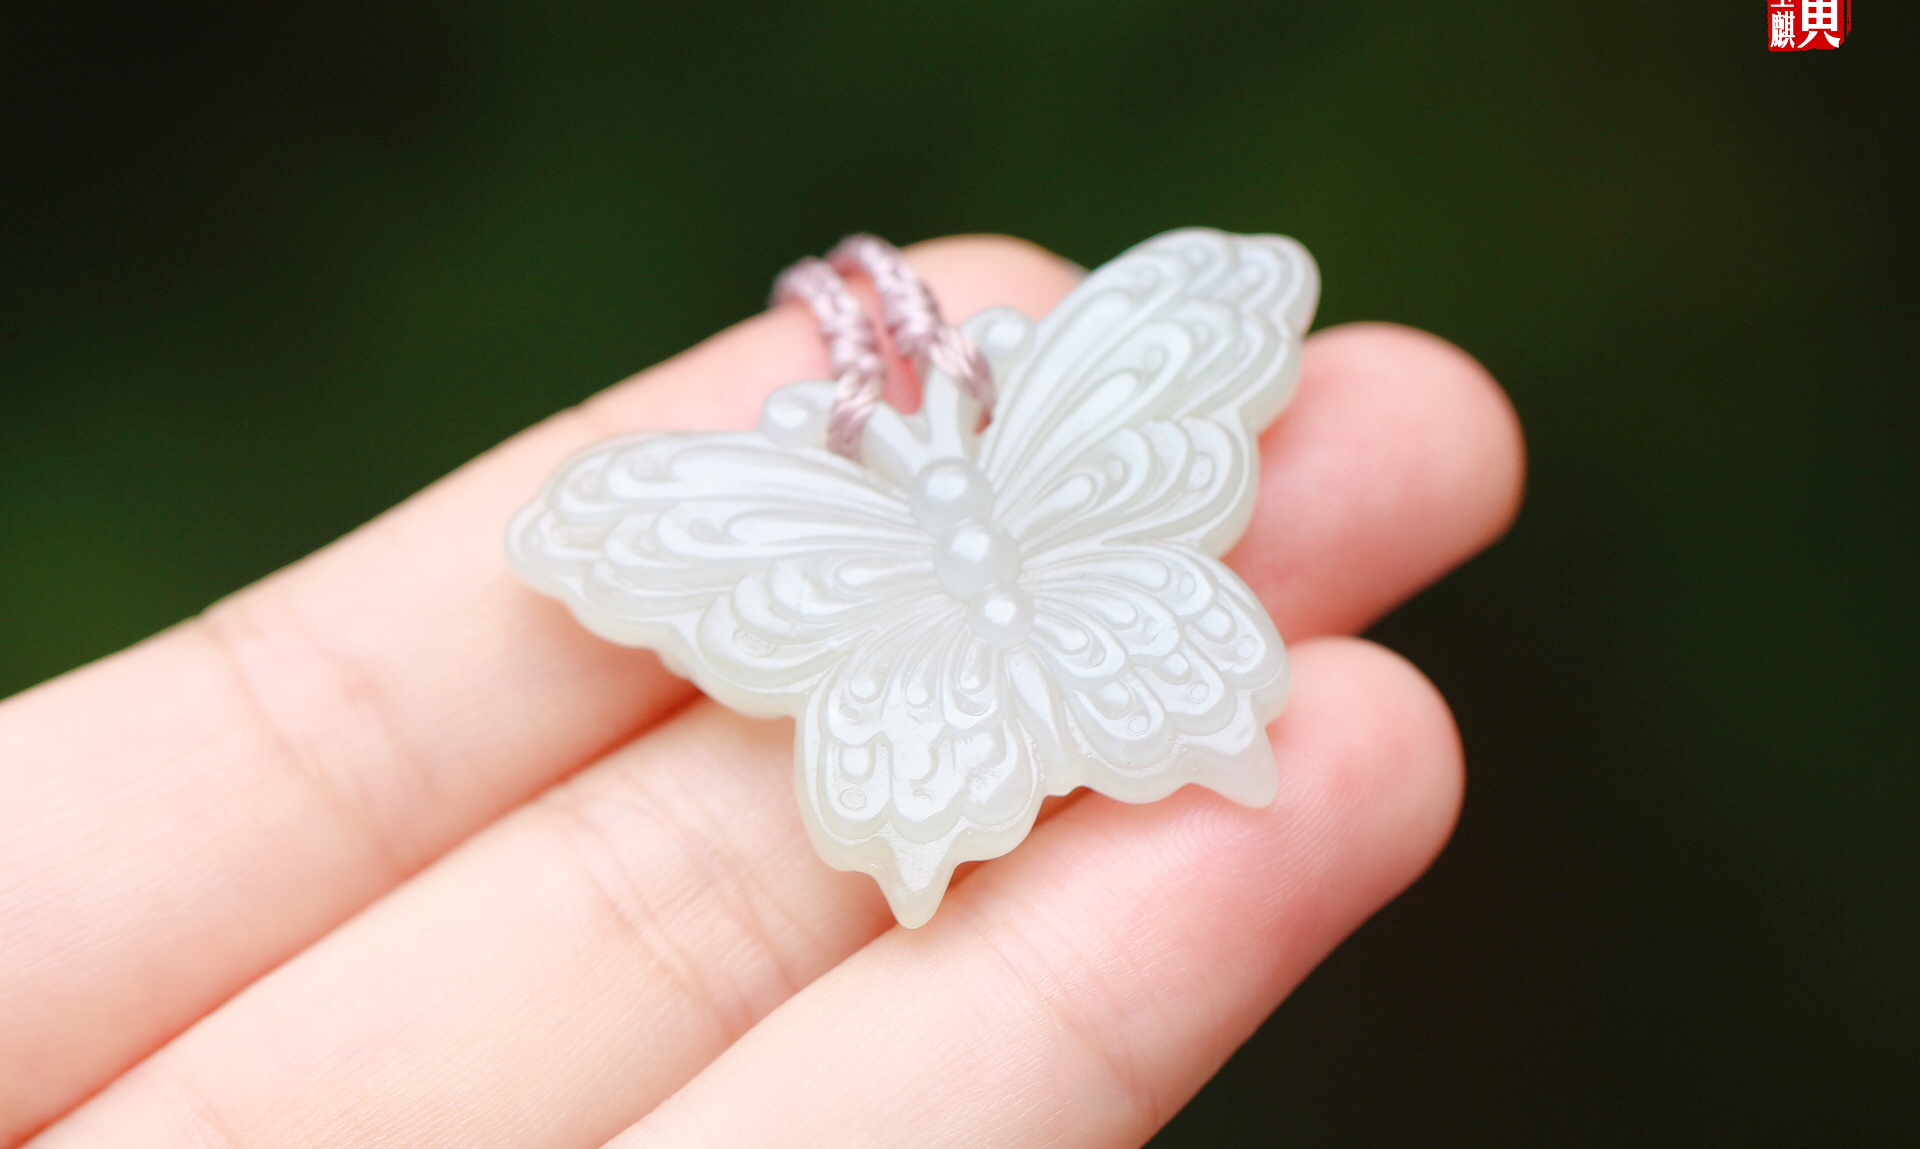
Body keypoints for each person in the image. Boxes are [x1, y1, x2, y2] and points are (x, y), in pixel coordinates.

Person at [0, 235, 1523, 1147]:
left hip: (1031, 607)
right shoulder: (1048, 390)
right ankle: (1082, 772)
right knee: (1064, 795)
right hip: (1098, 586)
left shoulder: (803, 490)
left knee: (1223, 766)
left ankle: (1147, 752)